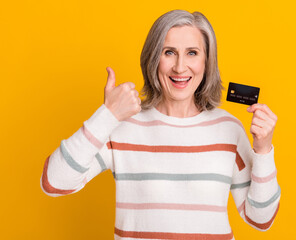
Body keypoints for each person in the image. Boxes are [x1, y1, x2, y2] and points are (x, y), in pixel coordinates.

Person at [40, 9, 280, 240]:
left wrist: (263, 150)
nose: (179, 67)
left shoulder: (229, 128)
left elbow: (260, 219)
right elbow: (54, 182)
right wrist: (107, 116)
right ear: (153, 59)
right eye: (169, 52)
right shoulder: (123, 127)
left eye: (192, 53)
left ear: (207, 61)